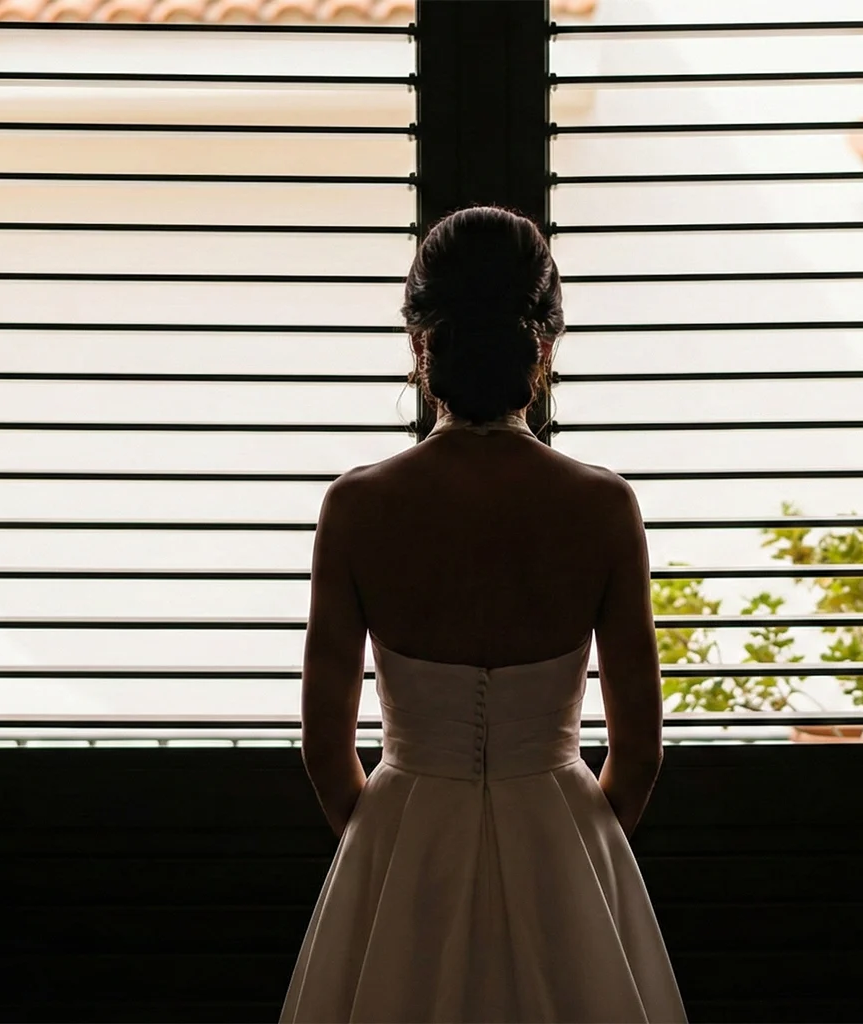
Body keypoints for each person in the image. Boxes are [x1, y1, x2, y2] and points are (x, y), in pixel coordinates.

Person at [280, 206, 685, 1023]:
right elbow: (638, 755)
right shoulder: (603, 506)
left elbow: (326, 751)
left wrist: (388, 847)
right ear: (545, 343)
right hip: (562, 835)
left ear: (421, 341)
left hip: (405, 836)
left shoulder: (357, 506)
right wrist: (576, 853)